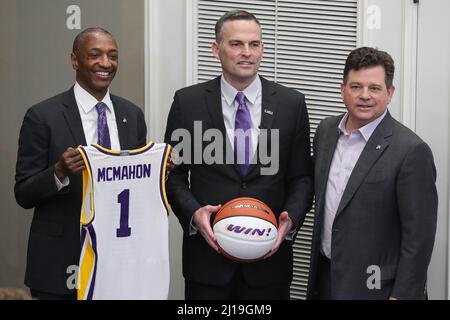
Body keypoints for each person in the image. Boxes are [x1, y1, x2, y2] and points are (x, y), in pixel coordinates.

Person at [164, 10, 314, 299]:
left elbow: (301, 177)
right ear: (215, 49)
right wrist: (194, 214)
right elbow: (173, 175)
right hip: (207, 265)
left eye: (254, 44)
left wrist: (290, 219)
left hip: (269, 264)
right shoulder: (188, 102)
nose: (247, 53)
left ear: (262, 49)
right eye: (236, 44)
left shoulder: (291, 104)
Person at [14, 27, 147, 300]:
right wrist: (59, 172)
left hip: (119, 259)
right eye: (95, 55)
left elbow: (137, 189)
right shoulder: (42, 116)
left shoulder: (132, 115)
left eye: (113, 56)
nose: (106, 64)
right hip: (60, 262)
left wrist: (158, 174)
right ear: (75, 60)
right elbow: (24, 193)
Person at [307, 47, 438, 300]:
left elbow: (419, 238)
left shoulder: (411, 151)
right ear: (342, 89)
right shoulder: (325, 132)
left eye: (375, 88)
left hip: (377, 288)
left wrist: (402, 295)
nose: (364, 96)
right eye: (356, 87)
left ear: (390, 93)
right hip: (325, 279)